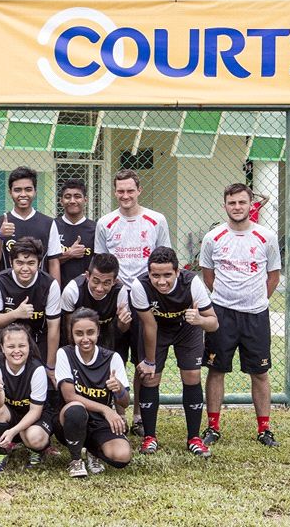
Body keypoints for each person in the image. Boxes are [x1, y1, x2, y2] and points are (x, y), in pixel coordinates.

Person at [200, 183, 281, 447]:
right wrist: (226, 299)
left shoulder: (266, 237)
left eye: (242, 202)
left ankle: (264, 429)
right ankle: (212, 427)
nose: (237, 207)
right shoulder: (213, 237)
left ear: (250, 205)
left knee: (260, 373)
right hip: (222, 314)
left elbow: (273, 276)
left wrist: (255, 300)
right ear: (225, 205)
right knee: (216, 370)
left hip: (255, 315)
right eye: (232, 203)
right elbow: (208, 276)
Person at [94, 168, 171, 436]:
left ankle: (138, 414)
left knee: (142, 361)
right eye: (120, 191)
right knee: (111, 357)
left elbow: (164, 258)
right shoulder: (105, 223)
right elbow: (101, 263)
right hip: (114, 300)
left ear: (139, 190)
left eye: (130, 190)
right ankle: (117, 413)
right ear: (115, 192)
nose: (125, 195)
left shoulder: (156, 220)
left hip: (145, 300)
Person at [130, 246, 219, 457]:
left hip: (187, 328)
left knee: (192, 375)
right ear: (148, 273)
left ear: (177, 272)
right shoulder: (139, 286)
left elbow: (213, 323)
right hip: (156, 329)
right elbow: (149, 326)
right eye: (156, 275)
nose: (162, 281)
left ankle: (194, 438)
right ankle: (149, 437)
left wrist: (199, 320)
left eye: (167, 275)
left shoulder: (192, 283)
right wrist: (150, 361)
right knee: (150, 377)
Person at [54, 308, 132, 477]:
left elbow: (125, 402)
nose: (85, 338)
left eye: (90, 332)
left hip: (100, 421)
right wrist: (106, 409)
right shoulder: (65, 354)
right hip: (70, 419)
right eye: (79, 333)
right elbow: (69, 396)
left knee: (122, 456)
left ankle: (93, 451)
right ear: (71, 334)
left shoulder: (112, 358)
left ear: (98, 332)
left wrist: (119, 389)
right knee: (76, 409)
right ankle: (76, 460)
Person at [0, 323, 51, 472]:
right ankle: (1, 452)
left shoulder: (37, 368)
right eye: (10, 346)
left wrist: (14, 431)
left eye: (22, 346)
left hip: (34, 416)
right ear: (2, 348)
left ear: (29, 346)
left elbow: (35, 411)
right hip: (10, 414)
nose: (17, 351)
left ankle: (37, 450)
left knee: (35, 438)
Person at [0, 237, 61, 370]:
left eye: (31, 263)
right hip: (7, 340)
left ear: (39, 263)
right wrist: (15, 314)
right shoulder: (0, 280)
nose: (25, 268)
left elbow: (53, 327)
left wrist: (51, 366)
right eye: (19, 263)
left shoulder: (50, 284)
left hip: (38, 339)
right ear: (11, 262)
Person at [0, 166, 61, 283]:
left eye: (28, 189)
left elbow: (53, 262)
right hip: (7, 289)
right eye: (17, 190)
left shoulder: (49, 223)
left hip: (40, 289)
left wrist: (55, 290)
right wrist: (0, 235)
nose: (23, 194)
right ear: (10, 192)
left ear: (35, 191)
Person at [60, 253, 130, 350]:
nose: (99, 288)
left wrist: (123, 321)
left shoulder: (120, 292)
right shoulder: (72, 290)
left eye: (106, 283)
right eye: (96, 281)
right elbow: (69, 331)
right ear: (88, 276)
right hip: (80, 336)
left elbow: (123, 330)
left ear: (114, 281)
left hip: (108, 336)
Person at [55, 178, 96, 285]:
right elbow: (43, 262)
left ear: (85, 200)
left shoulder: (96, 229)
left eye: (77, 196)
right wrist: (69, 254)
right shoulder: (52, 226)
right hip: (59, 288)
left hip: (88, 290)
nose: (72, 201)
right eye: (67, 197)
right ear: (61, 201)